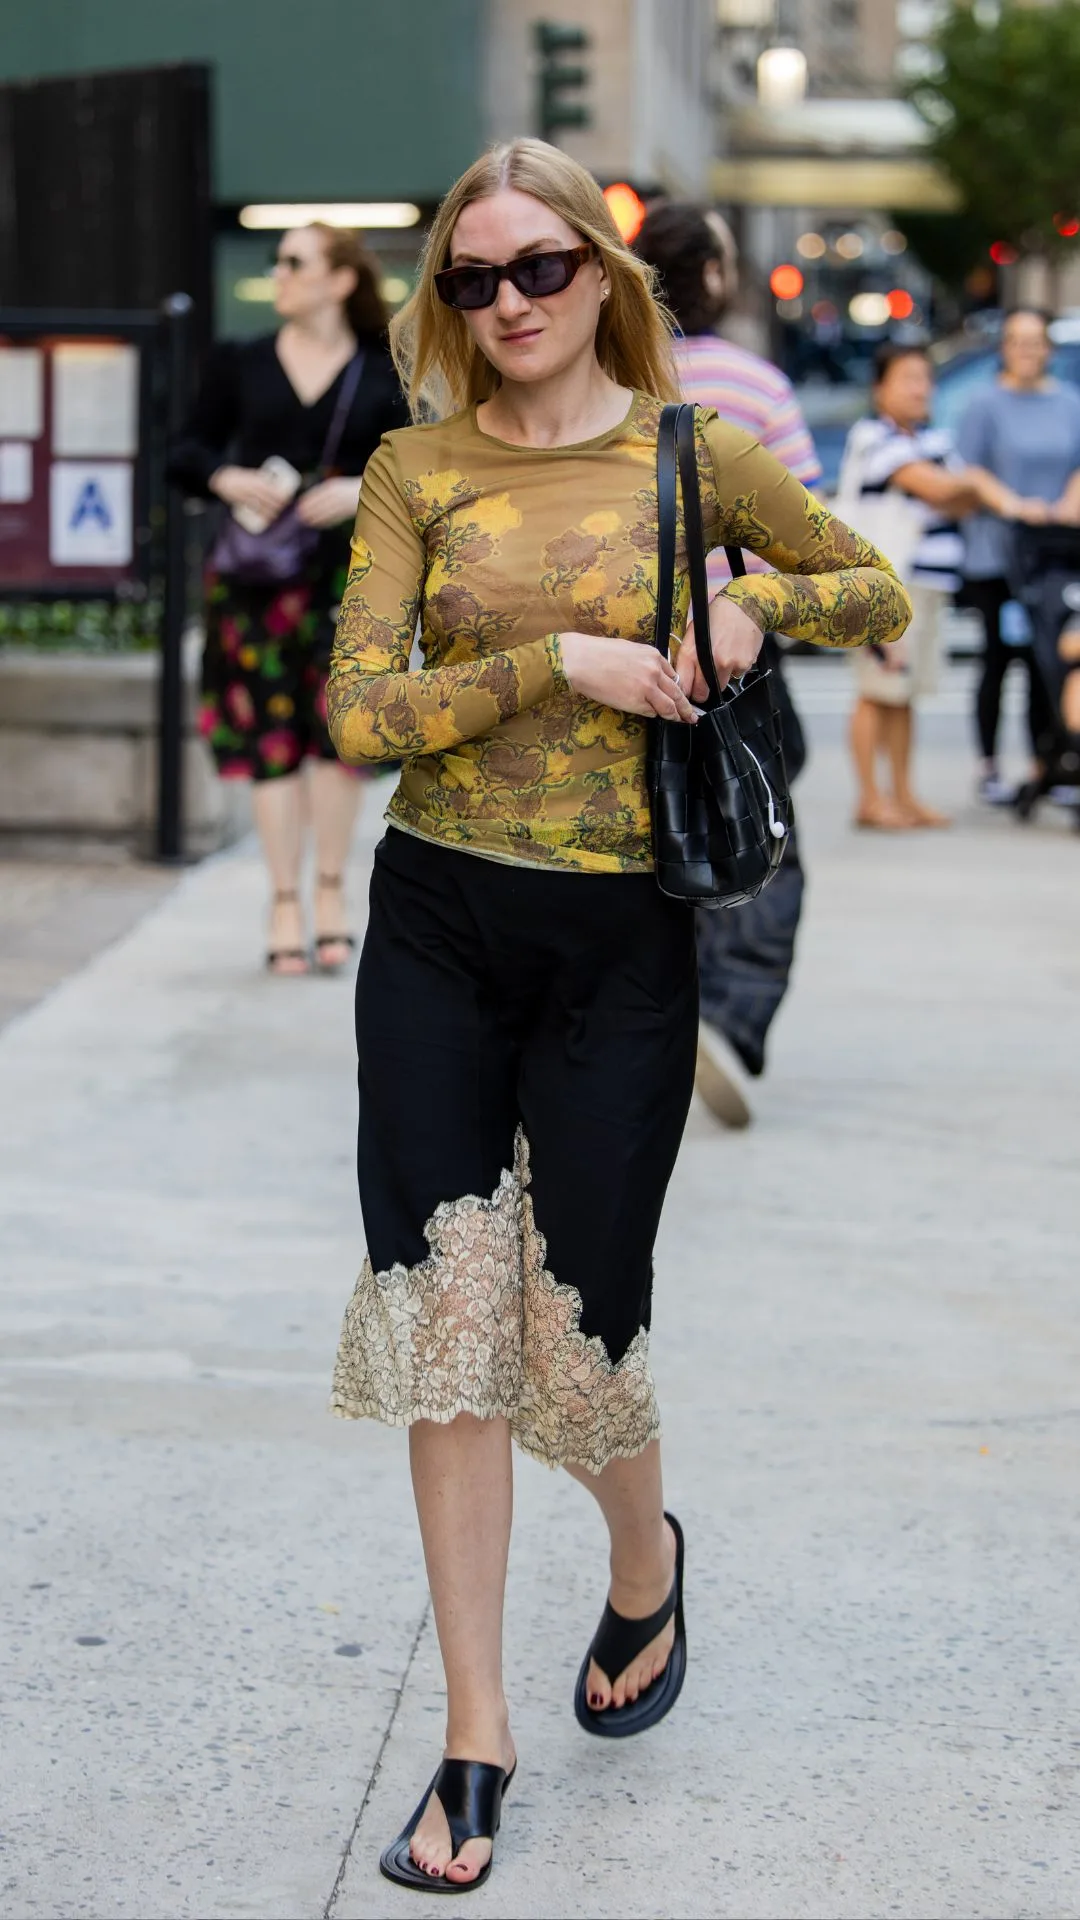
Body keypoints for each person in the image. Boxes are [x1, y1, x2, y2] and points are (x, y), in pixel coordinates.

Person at [326, 137, 910, 1894]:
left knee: (582, 1330)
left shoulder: (692, 451)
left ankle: (644, 1563)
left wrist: (751, 601)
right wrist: (545, 667)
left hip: (616, 948)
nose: (508, 303)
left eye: (539, 269)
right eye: (473, 279)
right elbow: (361, 713)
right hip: (437, 922)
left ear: (603, 273)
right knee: (447, 1323)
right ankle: (476, 1740)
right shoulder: (415, 467)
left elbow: (873, 589)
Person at [169, 223, 409, 972]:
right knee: (271, 739)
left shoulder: (381, 368)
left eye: (295, 262)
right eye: (278, 262)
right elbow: (184, 449)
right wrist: (224, 478)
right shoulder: (241, 360)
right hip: (257, 580)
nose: (280, 274)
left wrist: (355, 489)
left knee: (339, 739)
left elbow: (417, 466)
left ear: (341, 280)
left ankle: (331, 893)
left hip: (349, 578)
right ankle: (283, 901)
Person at [636, 200, 822, 1128]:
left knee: (633, 831)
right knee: (758, 833)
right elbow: (808, 538)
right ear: (712, 276)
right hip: (732, 646)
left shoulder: (604, 384)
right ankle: (731, 1014)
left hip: (615, 646)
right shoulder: (754, 386)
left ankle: (633, 1021)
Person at [840, 340, 1044, 830]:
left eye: (925, 378)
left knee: (904, 693)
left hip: (925, 587)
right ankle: (870, 798)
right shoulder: (873, 436)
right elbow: (941, 490)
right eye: (908, 378)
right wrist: (984, 487)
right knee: (876, 690)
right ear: (880, 389)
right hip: (882, 588)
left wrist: (965, 488)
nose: (921, 388)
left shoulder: (931, 440)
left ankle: (904, 795)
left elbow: (955, 499)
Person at [956, 307, 1080, 804]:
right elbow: (967, 469)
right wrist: (1014, 505)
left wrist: (1066, 505)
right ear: (1004, 347)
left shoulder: (1069, 402)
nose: (1027, 351)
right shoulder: (984, 403)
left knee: (1047, 659)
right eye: (1017, 341)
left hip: (1056, 551)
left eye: (1036, 341)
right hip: (998, 549)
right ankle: (989, 764)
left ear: (1048, 348)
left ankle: (1046, 762)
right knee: (998, 658)